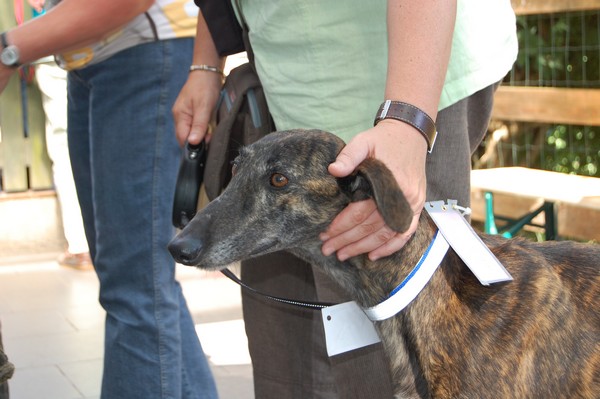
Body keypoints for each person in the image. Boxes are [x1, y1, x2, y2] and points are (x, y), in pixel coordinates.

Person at [174, 0, 518, 397]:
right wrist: (205, 65)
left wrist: (409, 121)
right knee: (287, 364)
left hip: (408, 73)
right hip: (282, 79)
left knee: (407, 367)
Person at [0, 1, 218, 398]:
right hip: (94, 55)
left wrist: (9, 49)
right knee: (141, 281)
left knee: (136, 288)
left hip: (142, 47)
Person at [28, 0, 91, 270]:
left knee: (66, 145)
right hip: (77, 44)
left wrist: (12, 46)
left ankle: (80, 245)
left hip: (69, 38)